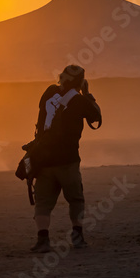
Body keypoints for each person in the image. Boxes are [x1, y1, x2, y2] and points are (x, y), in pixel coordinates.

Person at [29, 65, 102, 253]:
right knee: (76, 199)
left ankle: (42, 240)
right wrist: (87, 93)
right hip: (68, 159)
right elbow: (96, 117)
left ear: (61, 78)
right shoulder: (79, 100)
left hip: (43, 158)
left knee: (43, 202)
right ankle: (77, 237)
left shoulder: (49, 92)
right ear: (80, 81)